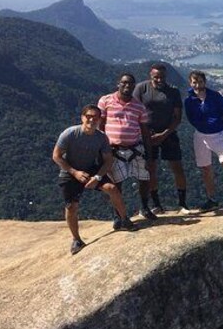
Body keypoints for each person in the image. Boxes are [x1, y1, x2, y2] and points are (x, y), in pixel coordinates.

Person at [53, 104, 136, 255]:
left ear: (99, 120)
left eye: (95, 117)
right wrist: (74, 172)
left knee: (111, 188)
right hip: (70, 171)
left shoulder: (101, 138)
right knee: (71, 206)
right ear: (82, 117)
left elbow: (108, 160)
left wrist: (97, 177)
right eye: (88, 116)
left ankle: (124, 219)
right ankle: (76, 239)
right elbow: (56, 156)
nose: (91, 120)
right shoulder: (70, 133)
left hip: (91, 168)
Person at [184, 70, 223, 212]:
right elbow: (190, 118)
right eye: (194, 81)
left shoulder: (215, 97)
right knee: (206, 169)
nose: (197, 84)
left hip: (217, 135)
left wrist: (221, 130)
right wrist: (202, 126)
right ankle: (212, 200)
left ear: (204, 82)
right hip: (200, 136)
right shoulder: (189, 100)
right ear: (190, 83)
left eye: (200, 81)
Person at [98, 73, 155, 226]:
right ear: (118, 83)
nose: (127, 86)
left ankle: (144, 207)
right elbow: (100, 125)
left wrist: (149, 155)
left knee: (144, 178)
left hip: (135, 148)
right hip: (113, 149)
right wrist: (100, 148)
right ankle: (117, 216)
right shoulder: (105, 101)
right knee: (117, 183)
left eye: (130, 83)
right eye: (124, 83)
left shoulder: (138, 106)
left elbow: (144, 131)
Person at [133, 64, 190, 214]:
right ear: (150, 75)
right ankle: (156, 204)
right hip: (147, 135)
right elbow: (134, 112)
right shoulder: (141, 89)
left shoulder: (173, 92)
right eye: (156, 77)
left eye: (162, 77)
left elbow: (177, 118)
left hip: (168, 133)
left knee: (177, 167)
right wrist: (144, 134)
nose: (159, 80)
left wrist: (164, 134)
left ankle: (182, 204)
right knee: (150, 168)